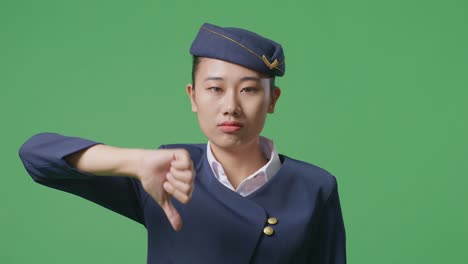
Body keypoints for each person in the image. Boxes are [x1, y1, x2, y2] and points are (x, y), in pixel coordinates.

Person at [18, 22, 346, 263]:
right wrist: (133, 163)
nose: (230, 105)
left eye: (248, 89)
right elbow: (37, 157)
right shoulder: (165, 171)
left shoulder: (315, 186)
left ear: (272, 99)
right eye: (215, 89)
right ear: (193, 97)